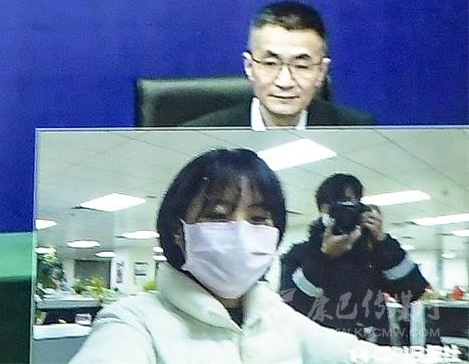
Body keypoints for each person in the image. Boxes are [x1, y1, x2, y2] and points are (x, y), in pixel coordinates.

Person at [72, 148, 410, 364]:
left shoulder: (274, 315)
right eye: (218, 216)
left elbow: (357, 353)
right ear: (179, 231)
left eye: (259, 218)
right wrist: (321, 258)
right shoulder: (133, 322)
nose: (241, 230)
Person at [279, 173, 429, 343]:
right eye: (339, 203)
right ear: (323, 210)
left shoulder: (371, 253)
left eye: (352, 204)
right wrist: (324, 257)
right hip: (322, 349)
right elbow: (291, 304)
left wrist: (383, 241)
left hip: (370, 349)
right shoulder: (300, 253)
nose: (346, 210)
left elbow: (413, 292)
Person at [182, 1, 375, 129]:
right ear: (249, 66)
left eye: (301, 66)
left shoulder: (356, 131)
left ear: (321, 71)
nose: (285, 82)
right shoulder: (201, 135)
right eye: (270, 63)